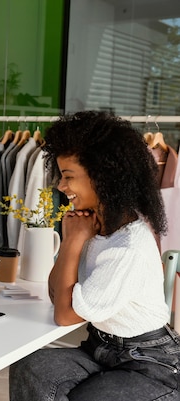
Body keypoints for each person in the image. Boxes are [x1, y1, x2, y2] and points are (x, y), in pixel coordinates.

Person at [9, 111, 180, 400]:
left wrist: (74, 240)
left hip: (151, 363)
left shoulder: (127, 246)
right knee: (31, 368)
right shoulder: (93, 225)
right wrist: (70, 241)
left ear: (103, 178)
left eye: (68, 177)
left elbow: (64, 316)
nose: (61, 187)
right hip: (99, 347)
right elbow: (56, 292)